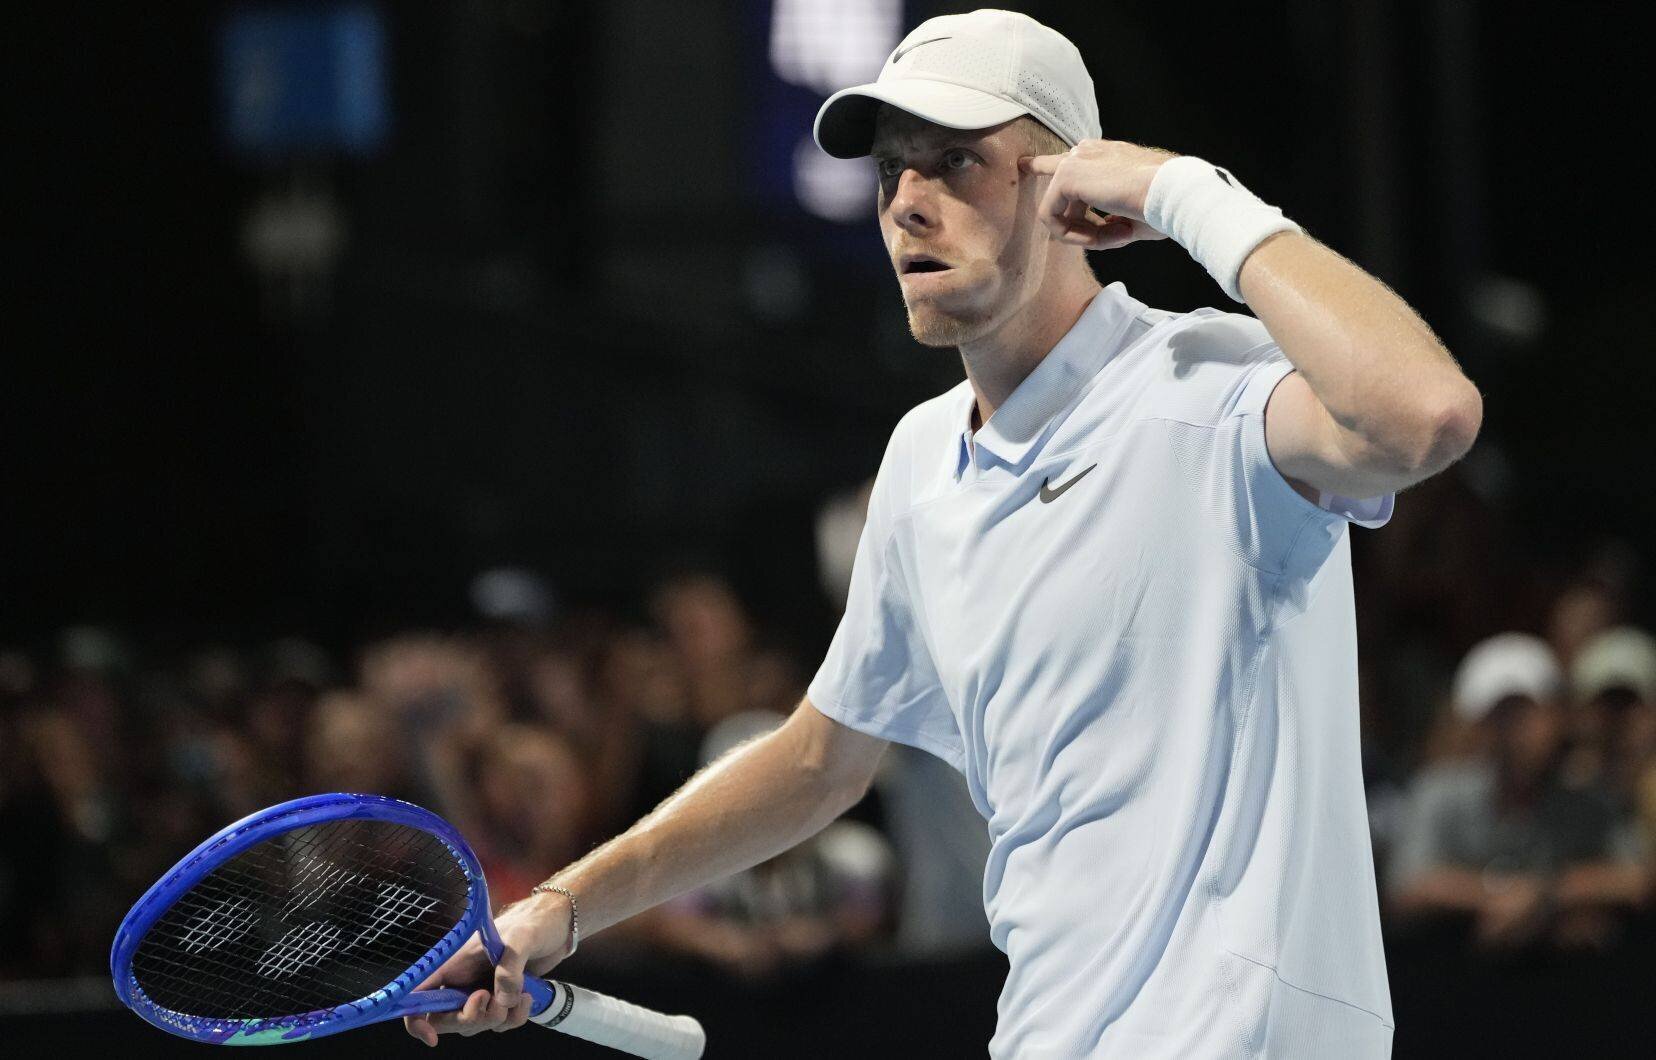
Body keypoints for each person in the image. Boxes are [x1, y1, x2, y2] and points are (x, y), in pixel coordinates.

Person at [405, 10, 1482, 1055]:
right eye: (891, 172)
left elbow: (1425, 414)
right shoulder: (922, 464)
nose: (908, 204)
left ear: (1069, 183)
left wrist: (1184, 190)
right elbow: (820, 758)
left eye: (956, 163)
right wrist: (557, 910)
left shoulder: (1210, 385)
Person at [1387, 634, 1649, 953]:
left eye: (1524, 711)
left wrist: (1547, 894)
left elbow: (1634, 878)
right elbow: (1407, 884)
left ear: (1555, 715)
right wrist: (1500, 897)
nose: (1512, 728)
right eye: (1499, 713)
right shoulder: (1439, 792)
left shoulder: (1589, 801)